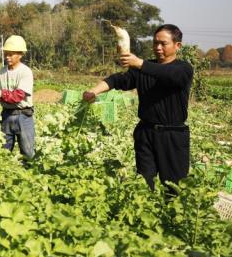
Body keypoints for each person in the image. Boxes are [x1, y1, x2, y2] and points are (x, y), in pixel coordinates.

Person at [83, 24, 193, 195]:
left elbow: (170, 75)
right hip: (145, 133)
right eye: (155, 43)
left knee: (174, 186)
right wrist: (94, 91)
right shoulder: (144, 68)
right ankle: (145, 215)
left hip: (173, 136)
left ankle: (171, 219)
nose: (158, 47)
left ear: (177, 45)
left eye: (163, 43)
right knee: (145, 182)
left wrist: (140, 63)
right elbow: (117, 80)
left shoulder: (183, 69)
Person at [0, 35, 35, 158]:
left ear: (20, 55)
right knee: (2, 152)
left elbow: (18, 96)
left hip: (23, 115)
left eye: (11, 54)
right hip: (5, 115)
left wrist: (1, 93)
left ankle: (28, 174)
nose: (7, 57)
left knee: (27, 153)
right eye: (6, 54)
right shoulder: (0, 72)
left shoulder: (25, 72)